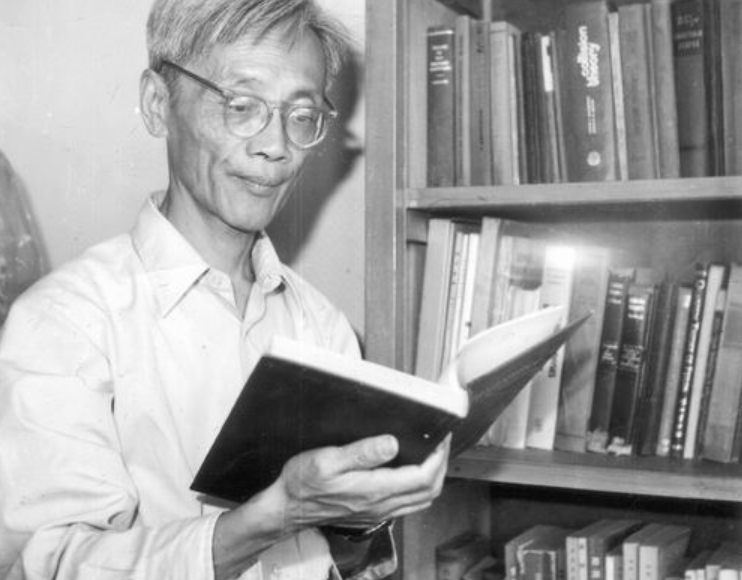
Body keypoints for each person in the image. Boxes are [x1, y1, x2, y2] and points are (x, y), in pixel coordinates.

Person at [0, 1, 451, 579]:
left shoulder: (322, 325)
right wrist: (273, 518)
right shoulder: (65, 322)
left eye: (302, 114)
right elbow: (48, 564)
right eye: (242, 106)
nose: (276, 146)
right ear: (158, 104)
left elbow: (342, 562)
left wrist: (364, 514)